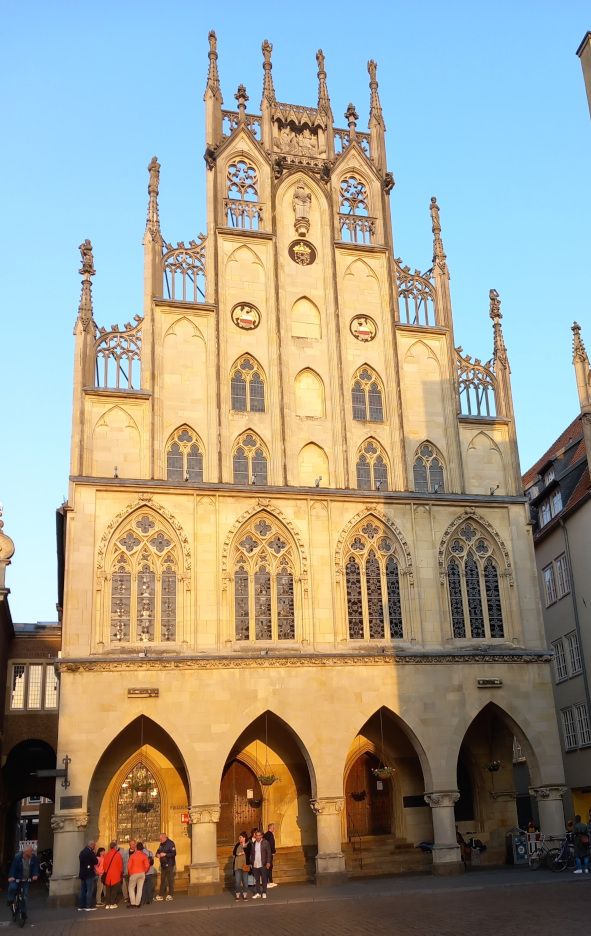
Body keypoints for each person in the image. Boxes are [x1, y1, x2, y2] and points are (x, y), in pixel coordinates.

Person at [7, 846, 39, 918]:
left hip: (26, 879)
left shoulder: (34, 858)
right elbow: (13, 867)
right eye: (31, 851)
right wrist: (11, 876)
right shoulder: (17, 857)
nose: (32, 852)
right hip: (16, 878)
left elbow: (35, 868)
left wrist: (35, 875)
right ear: (25, 852)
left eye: (32, 851)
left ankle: (23, 912)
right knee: (12, 887)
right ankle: (10, 899)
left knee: (24, 896)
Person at [250, 829, 272, 899]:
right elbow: (252, 854)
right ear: (255, 836)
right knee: (257, 880)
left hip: (263, 863)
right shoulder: (254, 843)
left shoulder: (265, 842)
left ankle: (264, 892)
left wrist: (268, 862)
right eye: (257, 835)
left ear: (262, 836)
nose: (258, 837)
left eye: (259, 835)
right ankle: (258, 893)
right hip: (255, 864)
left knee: (264, 878)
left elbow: (269, 853)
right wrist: (252, 862)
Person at [77, 840, 98, 911]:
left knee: (82, 890)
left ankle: (81, 906)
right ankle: (88, 906)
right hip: (89, 874)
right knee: (89, 890)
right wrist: (94, 854)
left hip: (82, 873)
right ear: (91, 845)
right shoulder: (90, 852)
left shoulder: (82, 852)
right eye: (94, 846)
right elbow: (96, 861)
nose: (95, 847)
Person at [154, 832, 176, 901]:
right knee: (162, 880)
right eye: (159, 839)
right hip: (163, 865)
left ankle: (170, 894)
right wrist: (157, 854)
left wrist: (165, 854)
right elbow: (158, 851)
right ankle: (161, 895)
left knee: (170, 879)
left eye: (161, 839)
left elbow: (174, 853)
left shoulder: (171, 843)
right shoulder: (161, 844)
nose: (160, 840)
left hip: (169, 864)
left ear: (164, 837)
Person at [127, 843, 150, 907]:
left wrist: (130, 872)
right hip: (142, 873)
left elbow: (129, 866)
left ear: (136, 848)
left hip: (134, 873)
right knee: (139, 889)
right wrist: (144, 871)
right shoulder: (144, 855)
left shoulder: (132, 856)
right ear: (142, 848)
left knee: (131, 888)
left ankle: (133, 903)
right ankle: (137, 903)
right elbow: (147, 865)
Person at [102, 840, 124, 909]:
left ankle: (107, 904)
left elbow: (104, 866)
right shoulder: (118, 854)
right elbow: (120, 866)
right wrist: (121, 872)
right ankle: (112, 903)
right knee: (114, 890)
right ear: (115, 847)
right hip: (116, 875)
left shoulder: (106, 855)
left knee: (108, 890)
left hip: (108, 875)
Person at [232, 832, 249, 901]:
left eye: (241, 837)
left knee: (245, 881)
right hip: (237, 865)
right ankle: (237, 895)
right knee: (237, 881)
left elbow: (249, 853)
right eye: (239, 837)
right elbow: (234, 853)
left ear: (244, 838)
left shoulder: (248, 845)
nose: (239, 839)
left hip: (245, 865)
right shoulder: (237, 845)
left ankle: (245, 895)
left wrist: (243, 852)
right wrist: (238, 854)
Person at [264, 823, 277, 887]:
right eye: (274, 827)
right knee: (269, 867)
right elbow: (271, 844)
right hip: (269, 853)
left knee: (268, 867)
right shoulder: (270, 834)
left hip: (265, 853)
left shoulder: (265, 834)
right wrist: (273, 851)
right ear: (271, 828)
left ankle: (269, 881)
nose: (274, 829)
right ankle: (269, 882)